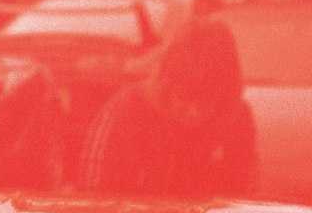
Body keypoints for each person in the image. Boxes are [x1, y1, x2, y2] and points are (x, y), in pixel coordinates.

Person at [79, 17, 257, 200]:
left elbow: (240, 201)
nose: (193, 112)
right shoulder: (122, 117)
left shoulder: (235, 121)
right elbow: (94, 206)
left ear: (225, 96)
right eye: (185, 97)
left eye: (206, 100)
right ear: (166, 84)